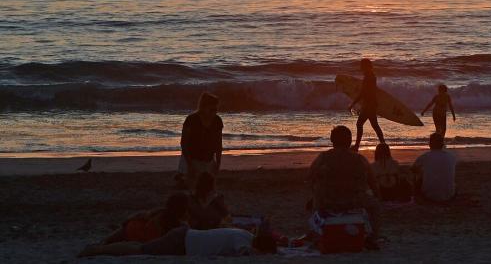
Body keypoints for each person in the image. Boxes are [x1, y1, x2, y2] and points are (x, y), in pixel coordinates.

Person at [308, 125, 381, 244]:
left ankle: (316, 232)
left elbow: (310, 177)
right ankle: (373, 237)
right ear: (349, 141)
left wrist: (316, 191)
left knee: (313, 199)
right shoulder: (359, 159)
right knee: (375, 206)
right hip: (354, 200)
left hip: (327, 200)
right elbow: (373, 182)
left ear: (332, 140)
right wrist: (377, 195)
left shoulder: (323, 157)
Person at [79, 220, 276, 257]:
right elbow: (246, 254)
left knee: (142, 247)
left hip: (185, 235)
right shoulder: (243, 243)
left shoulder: (244, 234)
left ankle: (101, 248)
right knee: (140, 249)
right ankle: (98, 250)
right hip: (182, 242)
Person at [101, 193, 189, 244]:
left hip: (133, 230)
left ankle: (105, 241)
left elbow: (140, 215)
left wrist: (125, 222)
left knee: (110, 240)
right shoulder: (178, 226)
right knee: (115, 237)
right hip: (136, 234)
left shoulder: (162, 213)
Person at [178, 92, 223, 188]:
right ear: (203, 107)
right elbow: (183, 143)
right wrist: (190, 164)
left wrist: (218, 163)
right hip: (191, 157)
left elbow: (219, 143)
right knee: (191, 184)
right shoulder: (191, 119)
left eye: (216, 109)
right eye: (211, 109)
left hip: (208, 158)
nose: (214, 112)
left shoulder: (217, 121)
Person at [348, 58, 385, 151]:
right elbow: (370, 92)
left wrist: (353, 104)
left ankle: (357, 146)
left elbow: (364, 93)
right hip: (371, 104)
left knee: (360, 124)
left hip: (369, 104)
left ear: (366, 66)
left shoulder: (369, 77)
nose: (360, 67)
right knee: (374, 125)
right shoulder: (371, 76)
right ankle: (383, 144)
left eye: (362, 65)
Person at [411, 133, 457, 203]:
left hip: (429, 196)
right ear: (442, 144)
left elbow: (412, 169)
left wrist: (421, 173)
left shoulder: (426, 156)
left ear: (430, 144)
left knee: (417, 176)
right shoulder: (451, 156)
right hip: (449, 196)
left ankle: (418, 195)